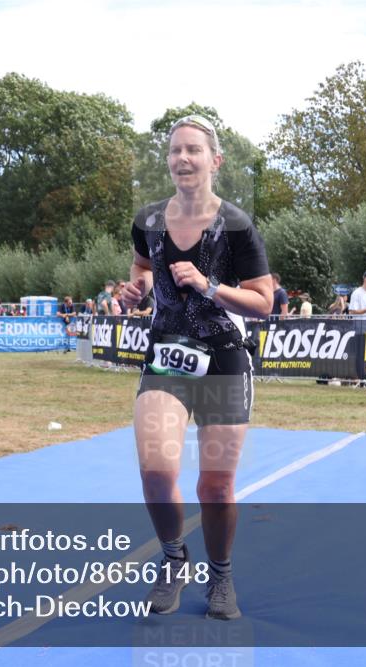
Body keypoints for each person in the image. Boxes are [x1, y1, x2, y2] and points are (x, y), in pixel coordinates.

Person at [119, 114, 273, 621]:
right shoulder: (148, 220)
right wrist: (135, 289)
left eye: (193, 151)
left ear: (214, 161)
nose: (182, 159)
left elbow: (263, 302)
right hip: (167, 354)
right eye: (174, 151)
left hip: (225, 358)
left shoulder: (237, 225)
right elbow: (143, 268)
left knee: (215, 486)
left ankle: (222, 575)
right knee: (157, 471)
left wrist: (208, 285)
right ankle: (173, 558)